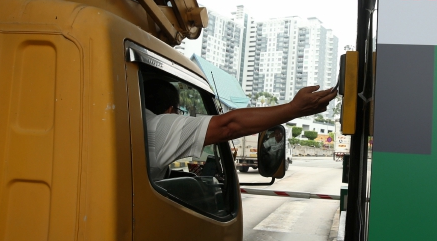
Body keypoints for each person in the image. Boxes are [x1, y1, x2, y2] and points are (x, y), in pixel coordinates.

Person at [144, 78, 337, 181]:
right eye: (177, 112)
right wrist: (294, 109)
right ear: (169, 111)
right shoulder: (157, 126)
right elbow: (228, 126)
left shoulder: (133, 122)